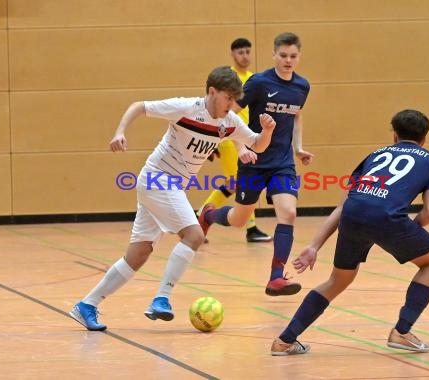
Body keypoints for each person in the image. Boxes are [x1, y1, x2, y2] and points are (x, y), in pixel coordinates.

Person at [69, 66, 276, 331]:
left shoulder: (229, 122)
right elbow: (139, 106)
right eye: (227, 98)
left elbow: (256, 143)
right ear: (212, 92)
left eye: (234, 99)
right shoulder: (186, 108)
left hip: (170, 186)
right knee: (195, 235)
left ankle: (87, 304)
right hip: (157, 178)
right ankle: (162, 298)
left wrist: (267, 131)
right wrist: (120, 131)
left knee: (139, 254)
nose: (231, 104)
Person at [270, 109, 429, 355]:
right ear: (425, 138)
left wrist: (314, 246)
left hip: (353, 215)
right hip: (388, 218)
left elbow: (344, 205)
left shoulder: (374, 155)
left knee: (337, 280)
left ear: (394, 136)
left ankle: (284, 340)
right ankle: (402, 331)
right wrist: (405, 235)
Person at [199, 32, 314, 296]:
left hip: (282, 163)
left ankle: (276, 277)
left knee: (289, 213)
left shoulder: (302, 86)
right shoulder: (259, 82)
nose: (288, 60)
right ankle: (209, 214)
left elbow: (296, 118)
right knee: (239, 219)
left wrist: (297, 149)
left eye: (293, 56)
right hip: (253, 160)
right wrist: (239, 147)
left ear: (299, 56)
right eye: (283, 55)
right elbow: (230, 114)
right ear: (274, 55)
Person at [197, 37, 272, 243]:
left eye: (248, 51)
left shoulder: (253, 79)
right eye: (241, 52)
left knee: (232, 183)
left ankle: (199, 218)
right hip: (229, 138)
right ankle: (251, 227)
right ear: (232, 54)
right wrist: (214, 139)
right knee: (243, 182)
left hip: (245, 138)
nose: (245, 56)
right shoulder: (228, 78)